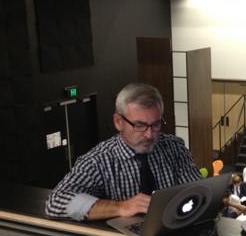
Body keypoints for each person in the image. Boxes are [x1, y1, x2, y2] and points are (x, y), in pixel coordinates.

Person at [45, 83, 202, 221]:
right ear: (118, 122)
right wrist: (121, 207)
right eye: (139, 125)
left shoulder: (173, 147)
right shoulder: (99, 160)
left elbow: (197, 189)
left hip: (173, 232)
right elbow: (55, 202)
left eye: (155, 125)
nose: (149, 135)